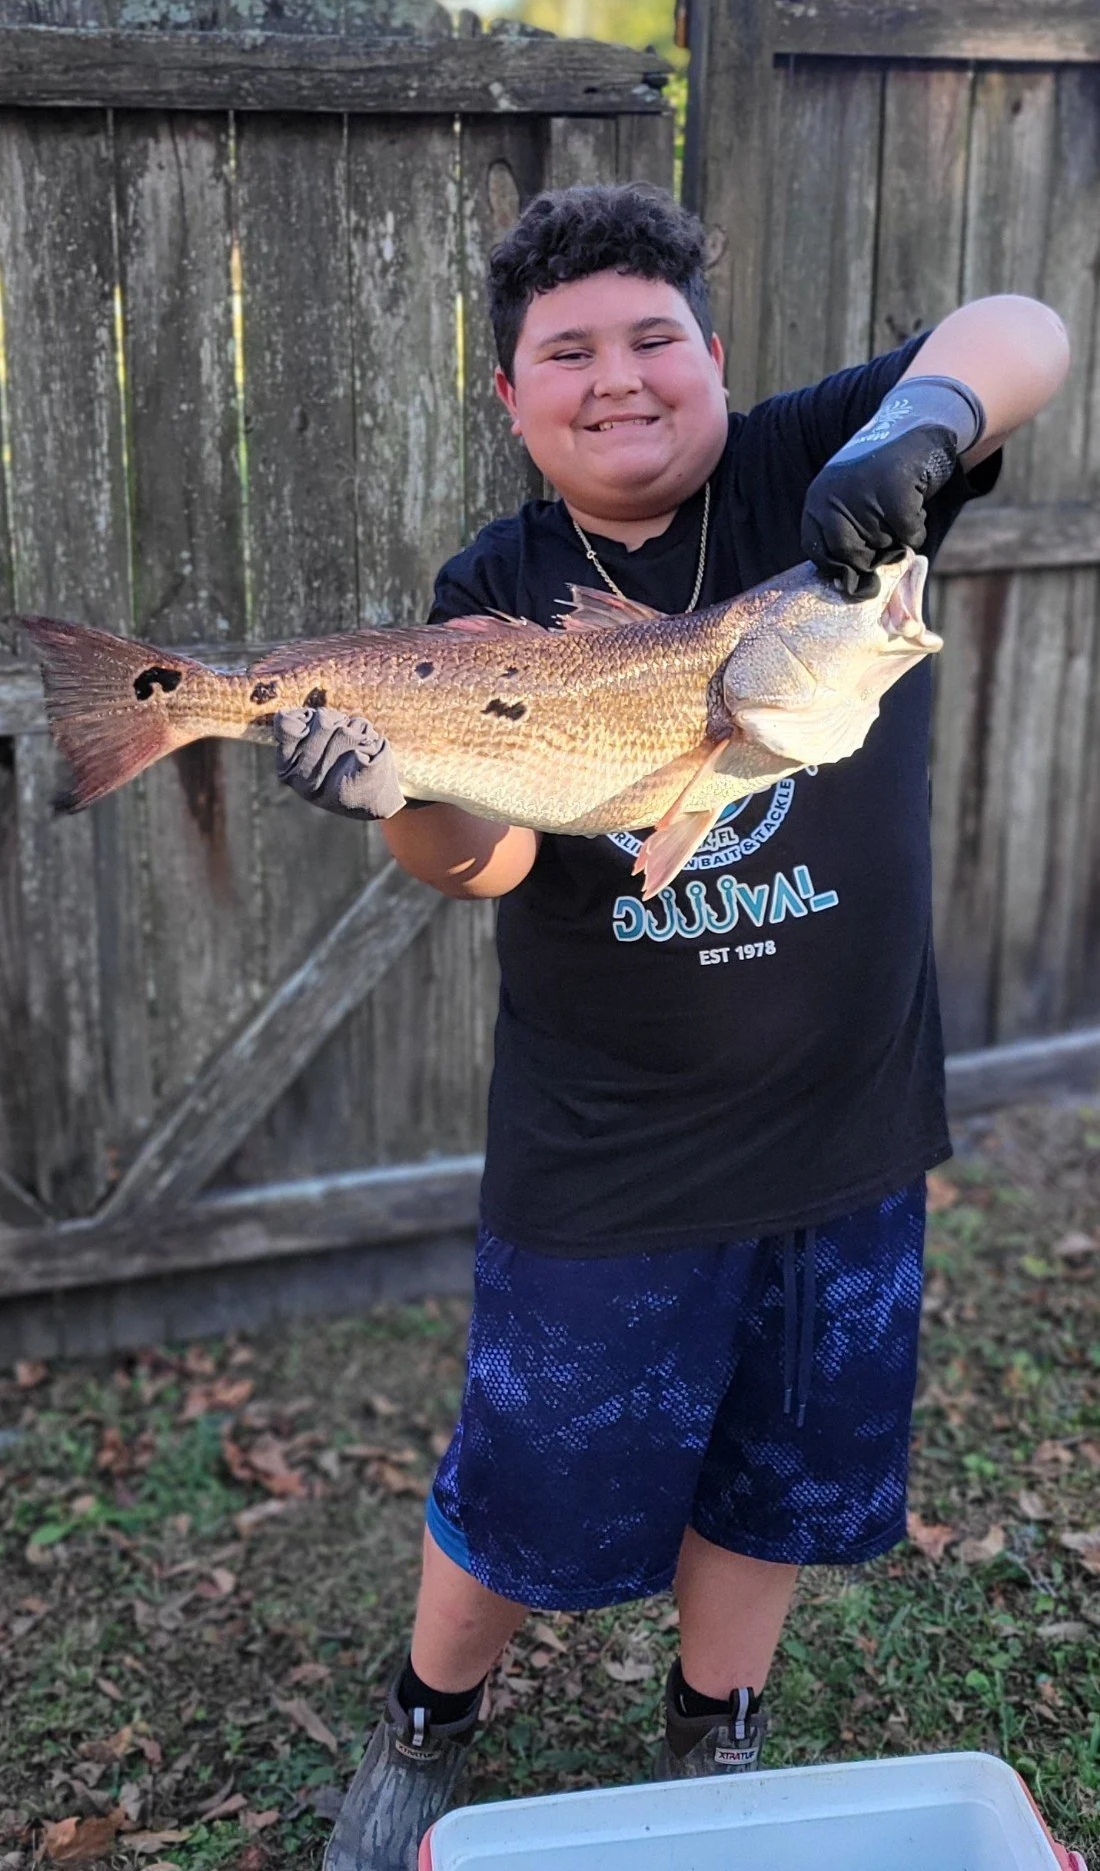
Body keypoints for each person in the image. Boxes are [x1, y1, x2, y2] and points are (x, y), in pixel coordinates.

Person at [273, 183, 1069, 1871]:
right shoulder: (493, 585)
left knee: (782, 1467)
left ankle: (719, 1734)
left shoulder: (807, 476)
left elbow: (1026, 331)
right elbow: (480, 864)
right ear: (512, 400)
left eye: (656, 338)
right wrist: (393, 796)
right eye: (569, 352)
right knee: (534, 1465)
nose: (619, 377)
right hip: (607, 1148)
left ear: (715, 356)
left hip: (848, 1129)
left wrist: (925, 429)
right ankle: (430, 1722)